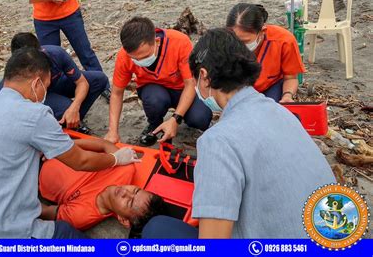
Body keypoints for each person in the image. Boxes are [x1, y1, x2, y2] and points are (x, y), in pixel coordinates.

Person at [142, 28, 336, 239]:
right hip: (335, 237)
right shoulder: (281, 112)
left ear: (204, 77)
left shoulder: (217, 141)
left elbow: (214, 245)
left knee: (157, 229)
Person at [0, 48, 139, 238]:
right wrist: (115, 159)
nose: (45, 94)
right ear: (37, 83)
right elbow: (81, 161)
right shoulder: (34, 115)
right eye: (45, 87)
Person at [104, 17, 212, 146]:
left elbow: (190, 84)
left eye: (144, 56)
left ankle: (181, 119)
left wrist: (175, 119)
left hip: (183, 89)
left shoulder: (179, 42)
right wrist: (112, 131)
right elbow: (116, 93)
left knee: (201, 118)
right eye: (135, 58)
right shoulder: (124, 55)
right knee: (154, 100)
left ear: (157, 42)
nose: (140, 61)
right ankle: (155, 124)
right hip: (154, 91)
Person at [0, 33, 108, 132]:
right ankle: (64, 123)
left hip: (58, 85)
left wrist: (74, 108)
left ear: (40, 50)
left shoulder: (55, 54)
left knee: (98, 79)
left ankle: (73, 120)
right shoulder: (15, 75)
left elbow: (82, 83)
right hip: (40, 98)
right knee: (64, 106)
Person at [39, 159, 164, 231]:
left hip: (33, 173)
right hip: (56, 148)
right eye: (135, 191)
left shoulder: (81, 216)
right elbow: (102, 145)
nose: (126, 192)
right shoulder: (125, 170)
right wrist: (60, 148)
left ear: (123, 219)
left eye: (129, 202)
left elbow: (42, 211)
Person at [226, 3, 305, 103]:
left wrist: (287, 96)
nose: (239, 45)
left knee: (268, 107)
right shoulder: (223, 41)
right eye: (234, 39)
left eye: (245, 41)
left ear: (262, 31)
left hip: (271, 86)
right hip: (236, 87)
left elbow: (290, 78)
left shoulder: (284, 40)